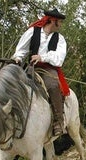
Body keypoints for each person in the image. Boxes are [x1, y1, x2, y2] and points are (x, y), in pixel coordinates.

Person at [12, 8, 69, 136]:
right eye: (59, 22)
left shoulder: (59, 38)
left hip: (48, 69)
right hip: (31, 67)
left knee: (53, 85)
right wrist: (17, 58)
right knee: (13, 84)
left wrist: (42, 57)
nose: (61, 25)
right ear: (53, 21)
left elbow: (59, 59)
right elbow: (21, 50)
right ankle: (12, 119)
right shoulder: (33, 31)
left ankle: (58, 122)